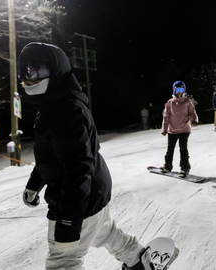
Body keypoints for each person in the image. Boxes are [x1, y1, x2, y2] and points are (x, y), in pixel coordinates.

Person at [17, 42, 154, 270]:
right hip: (92, 196)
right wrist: (34, 184)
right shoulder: (55, 103)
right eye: (23, 71)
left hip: (78, 200)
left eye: (35, 70)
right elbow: (52, 156)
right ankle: (138, 260)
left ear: (56, 70)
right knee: (105, 231)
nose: (27, 78)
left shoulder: (66, 111)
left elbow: (78, 167)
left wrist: (69, 219)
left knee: (63, 260)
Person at [160, 80, 199, 177]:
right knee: (170, 149)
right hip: (172, 130)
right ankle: (167, 166)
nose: (179, 91)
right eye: (177, 89)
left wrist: (194, 120)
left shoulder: (187, 102)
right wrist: (164, 129)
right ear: (174, 90)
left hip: (184, 130)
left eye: (181, 89)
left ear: (184, 90)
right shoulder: (170, 103)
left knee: (183, 149)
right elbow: (166, 117)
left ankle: (184, 168)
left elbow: (192, 112)